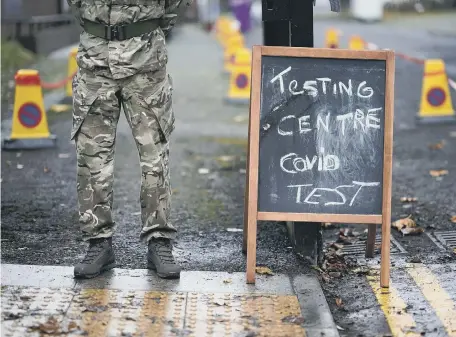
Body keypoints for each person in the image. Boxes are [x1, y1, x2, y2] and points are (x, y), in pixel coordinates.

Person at [67, 0, 191, 280]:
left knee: (154, 156)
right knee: (91, 157)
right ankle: (98, 243)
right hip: (95, 60)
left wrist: (147, 25)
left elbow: (175, 4)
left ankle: (159, 240)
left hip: (146, 60)